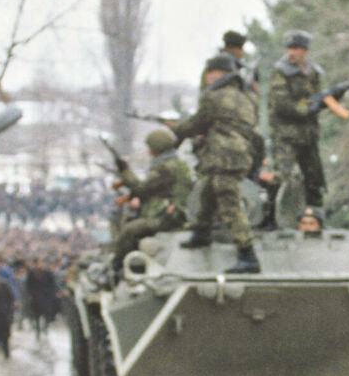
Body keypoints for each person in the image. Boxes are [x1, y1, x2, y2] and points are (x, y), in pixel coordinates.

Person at [173, 54, 266, 274]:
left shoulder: (214, 96)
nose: (207, 78)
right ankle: (201, 232)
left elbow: (198, 122)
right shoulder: (247, 96)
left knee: (230, 204)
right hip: (242, 152)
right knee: (209, 190)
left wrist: (177, 130)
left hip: (223, 154)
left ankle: (248, 254)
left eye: (210, 73)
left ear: (219, 74)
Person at [266, 31, 335, 226]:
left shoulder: (313, 72)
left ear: (305, 51)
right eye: (289, 48)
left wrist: (328, 101)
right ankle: (272, 219)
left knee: (314, 179)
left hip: (308, 135)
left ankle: (317, 218)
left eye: (296, 49)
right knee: (282, 178)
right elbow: (280, 102)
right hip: (286, 135)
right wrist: (305, 108)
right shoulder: (280, 71)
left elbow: (319, 96)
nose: (292, 53)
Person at [108, 130, 194, 270]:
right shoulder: (175, 163)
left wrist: (124, 170)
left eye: (150, 149)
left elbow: (141, 188)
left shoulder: (165, 167)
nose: (148, 152)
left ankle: (118, 267)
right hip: (175, 212)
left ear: (156, 149)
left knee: (130, 230)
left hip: (171, 216)